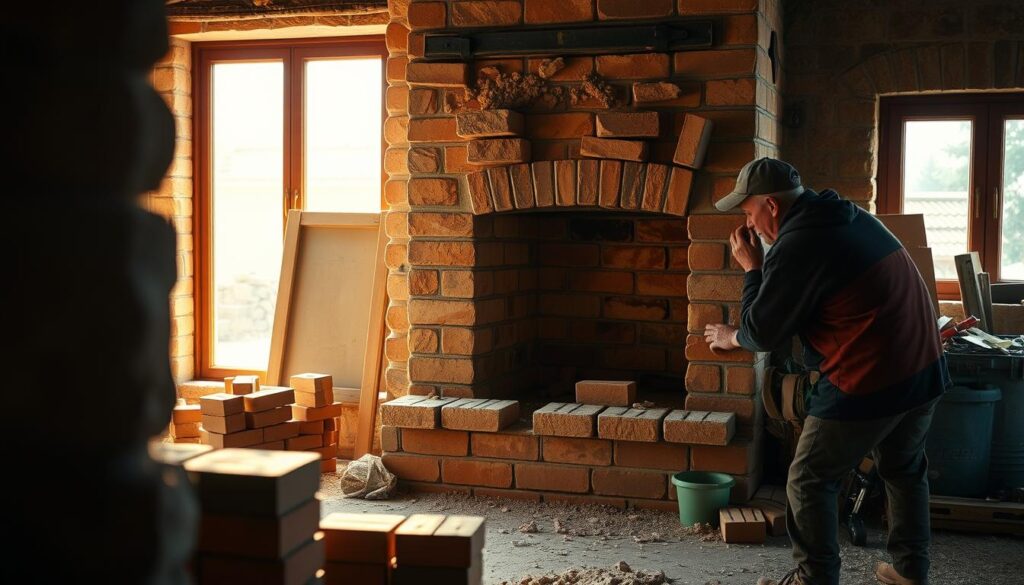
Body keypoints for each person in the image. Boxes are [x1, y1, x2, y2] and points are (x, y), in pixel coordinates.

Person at [702, 158, 950, 585]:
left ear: (771, 206)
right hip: (922, 366)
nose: (749, 225)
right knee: (904, 468)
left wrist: (752, 273)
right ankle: (910, 572)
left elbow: (761, 331)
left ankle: (813, 580)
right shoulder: (843, 214)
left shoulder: (801, 243)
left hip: (871, 377)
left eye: (748, 212)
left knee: (807, 481)